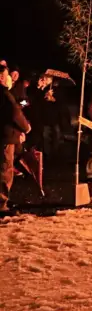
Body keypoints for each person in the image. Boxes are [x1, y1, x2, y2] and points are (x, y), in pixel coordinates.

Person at [0, 66, 30, 212]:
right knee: (5, 168)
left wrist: (21, 103)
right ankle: (1, 202)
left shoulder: (15, 90)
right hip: (7, 134)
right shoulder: (5, 92)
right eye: (9, 75)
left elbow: (24, 102)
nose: (11, 78)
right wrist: (25, 127)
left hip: (8, 131)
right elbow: (14, 113)